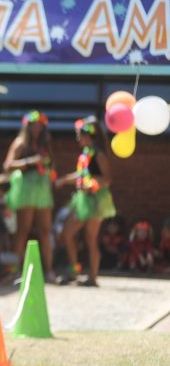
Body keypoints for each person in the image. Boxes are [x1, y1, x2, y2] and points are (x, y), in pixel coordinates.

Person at [55, 117, 115, 287]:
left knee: (90, 238)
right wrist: (64, 180)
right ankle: (74, 270)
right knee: (67, 234)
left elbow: (107, 178)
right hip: (83, 199)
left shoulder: (99, 154)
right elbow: (81, 174)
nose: (78, 139)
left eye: (80, 135)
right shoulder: (85, 154)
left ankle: (93, 277)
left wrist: (92, 182)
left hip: (96, 200)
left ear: (89, 136)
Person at [3, 110, 57, 281]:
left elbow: (52, 163)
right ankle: (14, 271)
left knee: (45, 231)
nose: (36, 129)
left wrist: (51, 170)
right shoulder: (20, 142)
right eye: (33, 126)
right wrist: (29, 162)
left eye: (39, 126)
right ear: (27, 127)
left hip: (42, 190)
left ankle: (49, 271)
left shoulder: (46, 143)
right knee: (22, 231)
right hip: (25, 189)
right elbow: (7, 166)